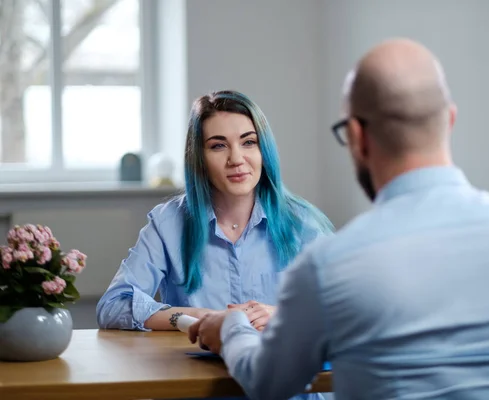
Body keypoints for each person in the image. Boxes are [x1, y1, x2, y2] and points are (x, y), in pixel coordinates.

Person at [189, 39, 489, 400]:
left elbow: (267, 382)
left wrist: (231, 327)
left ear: (358, 136)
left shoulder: (331, 266)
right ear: (449, 120)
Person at [96, 90, 333, 400]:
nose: (237, 158)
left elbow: (350, 308)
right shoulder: (168, 223)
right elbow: (113, 305)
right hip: (200, 389)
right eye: (218, 146)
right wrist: (195, 318)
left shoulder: (303, 222)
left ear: (264, 150)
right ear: (200, 157)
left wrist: (282, 314)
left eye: (248, 142)